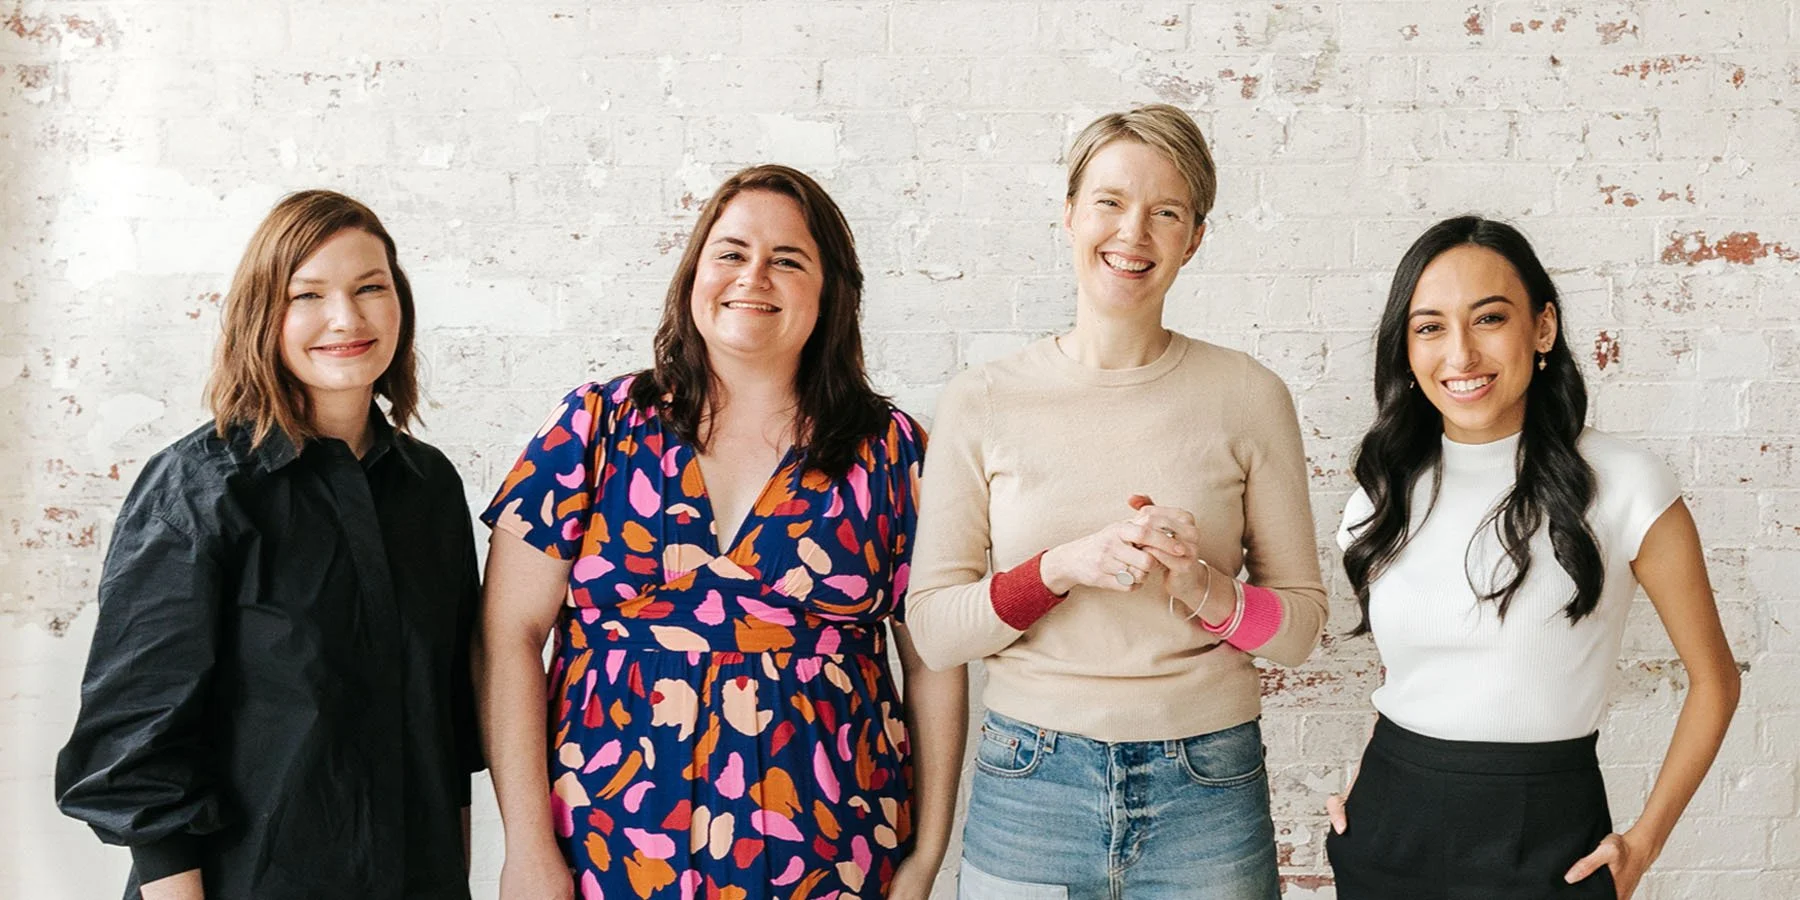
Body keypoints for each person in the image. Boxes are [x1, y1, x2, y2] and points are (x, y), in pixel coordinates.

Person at [477, 164, 967, 900]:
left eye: (788, 260)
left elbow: (934, 660)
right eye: (732, 252)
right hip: (608, 851)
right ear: (694, 274)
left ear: (831, 291)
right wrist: (526, 848)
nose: (754, 276)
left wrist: (926, 856)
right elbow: (508, 637)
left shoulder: (893, 451)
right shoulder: (594, 427)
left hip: (834, 855)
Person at [905, 104, 1327, 900]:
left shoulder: (1248, 394)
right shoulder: (982, 399)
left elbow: (1300, 630)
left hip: (1207, 785)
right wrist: (1058, 569)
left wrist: (1198, 584)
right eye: (1110, 202)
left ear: (1193, 239)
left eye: (1166, 212)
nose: (1133, 232)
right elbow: (934, 630)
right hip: (1030, 787)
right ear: (1069, 215)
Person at [55, 190, 484, 900]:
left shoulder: (429, 487)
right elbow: (135, 745)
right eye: (307, 295)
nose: (346, 318)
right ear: (263, 315)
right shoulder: (195, 490)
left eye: (370, 287)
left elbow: (449, 725)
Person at [1325, 216, 1740, 899]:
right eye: (1429, 327)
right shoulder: (1382, 496)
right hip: (1386, 831)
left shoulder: (1625, 482)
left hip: (1547, 837)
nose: (1460, 354)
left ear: (1542, 327)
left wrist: (1643, 844)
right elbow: (1418, 672)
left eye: (1488, 318)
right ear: (1406, 347)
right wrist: (1363, 787)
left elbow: (1715, 681)